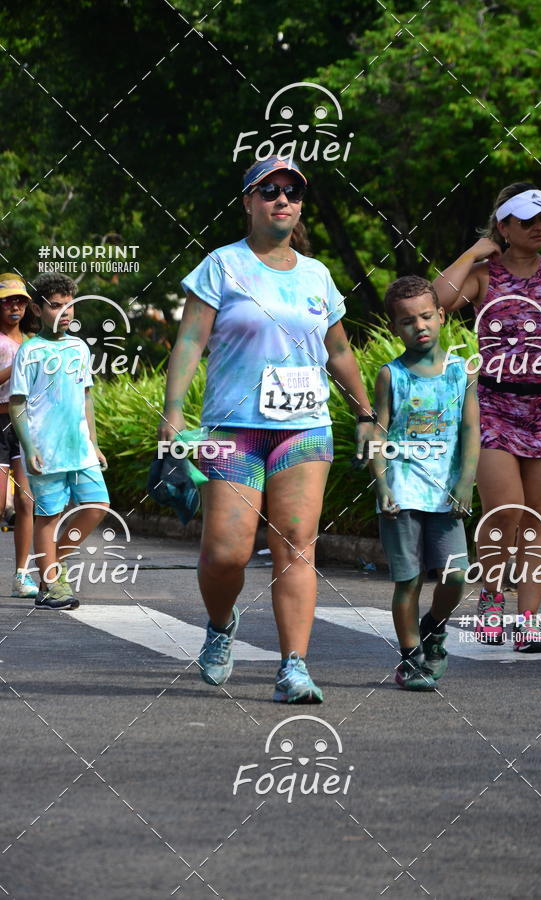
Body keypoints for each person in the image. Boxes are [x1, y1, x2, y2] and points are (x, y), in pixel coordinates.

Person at [159, 156, 374, 704]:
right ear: (248, 203)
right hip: (233, 430)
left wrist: (366, 414)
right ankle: (221, 623)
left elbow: (340, 350)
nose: (283, 199)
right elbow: (188, 342)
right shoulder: (221, 266)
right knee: (226, 554)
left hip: (304, 429)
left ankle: (294, 667)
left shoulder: (317, 274)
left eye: (292, 192)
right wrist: (174, 413)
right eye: (269, 190)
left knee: (297, 545)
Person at [434, 183, 541, 651]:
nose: (539, 226)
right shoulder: (485, 274)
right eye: (526, 221)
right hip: (494, 406)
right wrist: (475, 250)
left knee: (539, 516)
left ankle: (528, 620)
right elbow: (437, 302)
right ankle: (490, 597)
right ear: (503, 226)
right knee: (504, 513)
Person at [370, 275, 479, 690]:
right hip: (401, 491)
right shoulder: (391, 375)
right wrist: (382, 486)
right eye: (408, 320)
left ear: (442, 315)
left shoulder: (460, 371)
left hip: (446, 493)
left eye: (427, 316)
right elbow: (379, 434)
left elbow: (471, 431)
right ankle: (411, 658)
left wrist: (467, 483)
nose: (420, 326)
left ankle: (434, 626)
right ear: (395, 326)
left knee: (455, 575)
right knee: (409, 579)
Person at [9, 273, 110, 610]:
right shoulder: (30, 351)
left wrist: (93, 443)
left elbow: (87, 397)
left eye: (70, 305)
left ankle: (52, 567)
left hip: (79, 447)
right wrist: (30, 448)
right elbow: (17, 403)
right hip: (44, 449)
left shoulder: (79, 347)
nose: (65, 312)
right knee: (48, 517)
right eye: (56, 306)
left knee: (98, 506)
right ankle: (51, 584)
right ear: (36, 310)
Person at [0, 274, 37, 598]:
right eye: (8, 300)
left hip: (22, 426)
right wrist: (18, 365)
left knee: (27, 501)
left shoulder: (31, 343)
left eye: (20, 300)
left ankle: (21, 575)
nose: (15, 306)